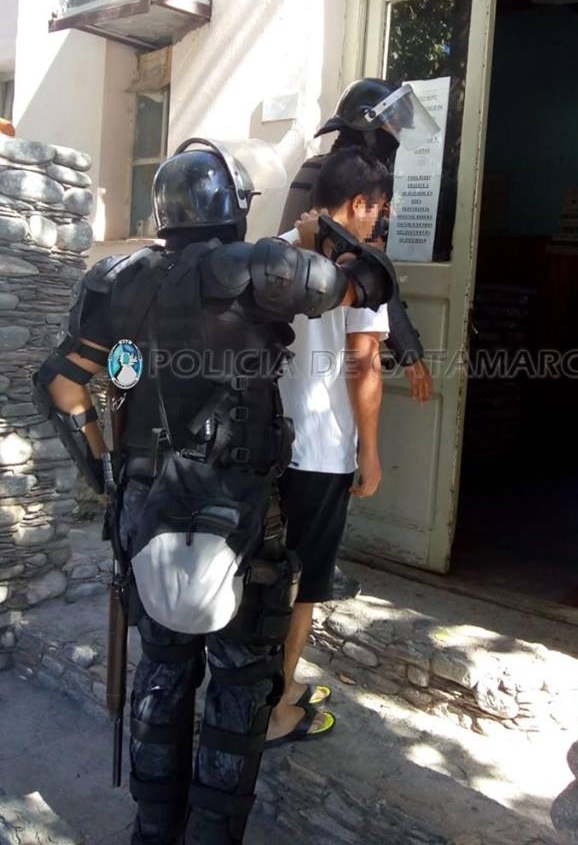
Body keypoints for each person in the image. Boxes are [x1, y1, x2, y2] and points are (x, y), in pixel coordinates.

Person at [32, 138, 395, 845]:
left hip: (147, 508)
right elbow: (370, 281)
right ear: (232, 206)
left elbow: (61, 384)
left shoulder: (116, 279)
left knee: (163, 673)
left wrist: (106, 472)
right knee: (239, 685)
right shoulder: (256, 269)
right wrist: (325, 238)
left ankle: (153, 831)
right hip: (241, 517)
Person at [264, 147, 391, 746]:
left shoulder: (270, 251)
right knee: (302, 583)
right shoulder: (362, 269)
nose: (378, 221)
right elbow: (364, 365)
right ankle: (275, 710)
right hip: (318, 449)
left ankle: (261, 687)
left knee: (258, 571)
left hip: (260, 444)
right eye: (377, 209)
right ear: (358, 203)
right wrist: (370, 451)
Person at [279, 78, 435, 407]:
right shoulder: (335, 179)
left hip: (318, 338)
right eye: (394, 129)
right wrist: (408, 350)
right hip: (322, 339)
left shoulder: (338, 174)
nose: (397, 139)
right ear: (369, 127)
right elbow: (368, 273)